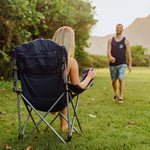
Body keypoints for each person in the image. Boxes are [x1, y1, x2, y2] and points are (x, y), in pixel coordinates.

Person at [52, 26, 96, 130]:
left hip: (34, 99)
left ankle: (63, 124)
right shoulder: (70, 61)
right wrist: (89, 77)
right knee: (67, 91)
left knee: (63, 87)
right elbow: (78, 89)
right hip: (55, 101)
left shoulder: (41, 60)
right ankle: (62, 122)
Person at [107, 24, 132, 104]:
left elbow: (128, 53)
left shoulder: (126, 41)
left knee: (121, 79)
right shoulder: (110, 40)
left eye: (120, 28)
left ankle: (121, 97)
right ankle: (116, 94)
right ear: (115, 29)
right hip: (113, 64)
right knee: (114, 81)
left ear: (122, 30)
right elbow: (108, 51)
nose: (118, 29)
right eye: (117, 28)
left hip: (122, 63)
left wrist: (130, 64)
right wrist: (110, 57)